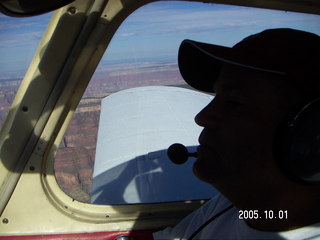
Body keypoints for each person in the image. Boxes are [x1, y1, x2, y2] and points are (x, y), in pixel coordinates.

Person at [153, 28, 320, 239]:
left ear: (312, 135)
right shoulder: (237, 206)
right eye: (216, 96)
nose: (202, 117)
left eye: (234, 102)